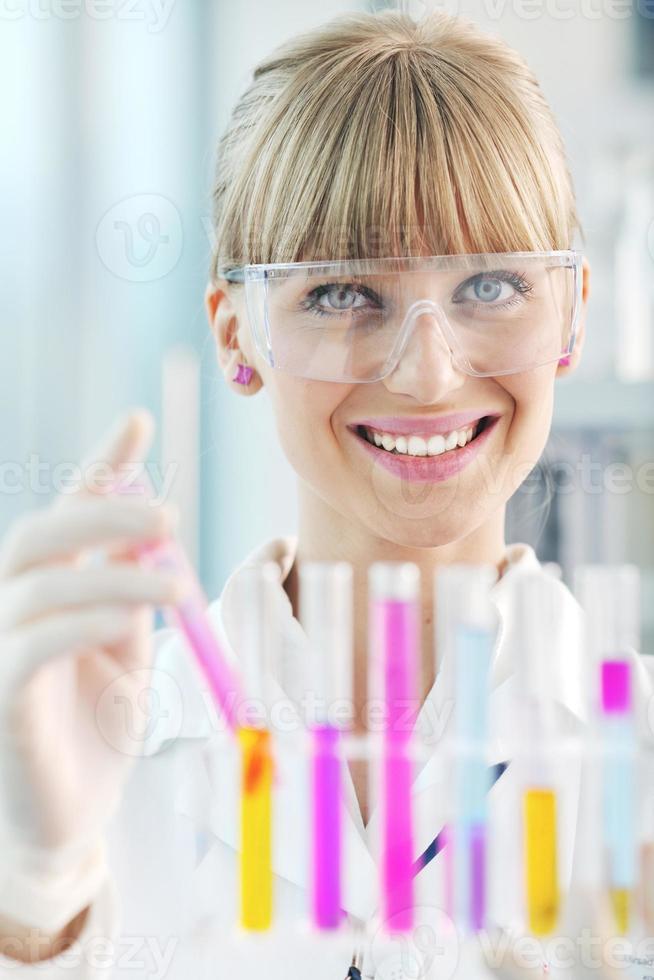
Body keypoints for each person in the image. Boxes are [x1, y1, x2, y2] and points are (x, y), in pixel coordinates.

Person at [0, 9, 651, 979]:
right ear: (236, 333)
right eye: (345, 293)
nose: (429, 374)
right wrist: (32, 899)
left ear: (572, 313)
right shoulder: (102, 733)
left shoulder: (631, 747)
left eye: (490, 287)